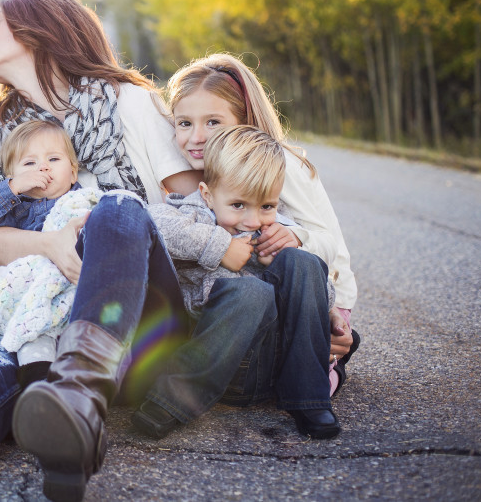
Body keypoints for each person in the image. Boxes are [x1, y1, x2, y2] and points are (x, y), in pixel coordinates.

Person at [0, 0, 199, 502]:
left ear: (37, 31)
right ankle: (78, 405)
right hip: (49, 327)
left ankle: (77, 391)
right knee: (110, 209)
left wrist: (106, 228)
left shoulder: (130, 103)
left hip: (148, 326)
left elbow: (193, 209)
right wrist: (52, 243)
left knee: (115, 206)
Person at [159, 53, 360, 394]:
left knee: (309, 363)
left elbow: (331, 243)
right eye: (185, 123)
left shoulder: (275, 164)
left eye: (213, 123)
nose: (197, 137)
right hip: (245, 298)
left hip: (323, 293)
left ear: (244, 121)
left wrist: (294, 236)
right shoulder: (194, 172)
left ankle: (332, 365)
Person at [135, 125, 339, 439]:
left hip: (273, 370)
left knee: (302, 261)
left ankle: (310, 399)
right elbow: (148, 223)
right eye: (238, 205)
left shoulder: (273, 231)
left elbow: (313, 290)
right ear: (207, 194)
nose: (253, 221)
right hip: (220, 364)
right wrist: (219, 246)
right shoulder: (191, 216)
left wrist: (295, 263)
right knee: (250, 291)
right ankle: (172, 399)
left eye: (267, 207)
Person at [0, 119, 100, 372]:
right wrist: (13, 189)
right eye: (29, 164)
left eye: (53, 160)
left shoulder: (80, 200)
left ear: (73, 172)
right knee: (31, 331)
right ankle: (36, 377)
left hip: (72, 283)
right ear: (11, 178)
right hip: (31, 286)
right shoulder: (14, 206)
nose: (42, 168)